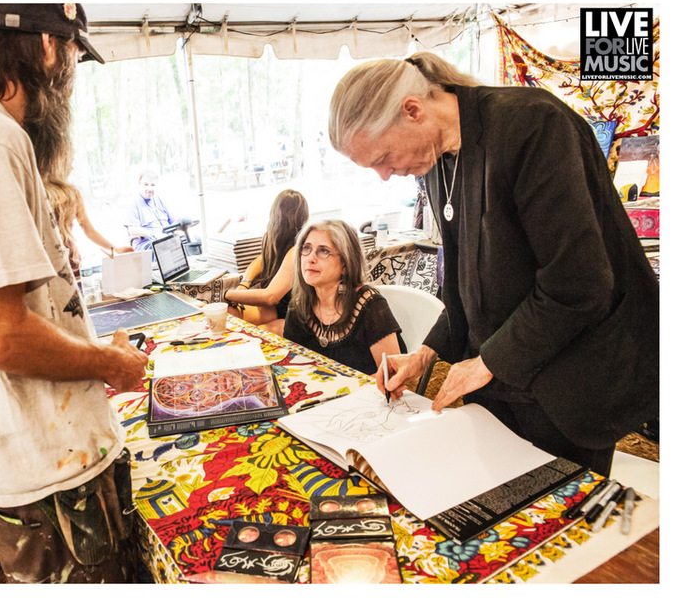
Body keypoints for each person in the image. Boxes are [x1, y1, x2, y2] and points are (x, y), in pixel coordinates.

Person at [0, 3, 149, 583]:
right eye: (74, 58)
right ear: (46, 46)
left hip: (35, 458)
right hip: (48, 468)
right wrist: (110, 363)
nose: (71, 79)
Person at [328, 52, 659, 476]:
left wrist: (487, 363)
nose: (385, 175)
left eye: (383, 157)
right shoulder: (437, 160)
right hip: (498, 384)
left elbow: (578, 284)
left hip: (570, 384)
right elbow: (466, 284)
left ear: (412, 111)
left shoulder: (532, 126)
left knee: (558, 509)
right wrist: (426, 353)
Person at [283, 220, 403, 375]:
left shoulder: (370, 306)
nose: (310, 258)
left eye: (323, 251)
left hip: (367, 390)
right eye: (306, 248)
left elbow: (391, 376)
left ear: (345, 264)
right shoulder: (298, 305)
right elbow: (291, 367)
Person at [222, 189, 309, 335]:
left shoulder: (298, 250)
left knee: (250, 334)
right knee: (227, 315)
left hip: (295, 313)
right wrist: (244, 284)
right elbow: (261, 260)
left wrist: (227, 294)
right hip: (278, 307)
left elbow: (270, 297)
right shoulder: (271, 238)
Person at [44, 178, 133, 279]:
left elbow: (89, 231)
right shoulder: (71, 193)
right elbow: (89, 231)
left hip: (59, 254)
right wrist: (116, 249)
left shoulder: (45, 195)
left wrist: (116, 249)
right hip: (65, 253)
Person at [124, 169, 178, 251]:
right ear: (139, 184)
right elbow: (132, 230)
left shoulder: (160, 200)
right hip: (147, 244)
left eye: (153, 185)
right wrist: (153, 234)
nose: (149, 189)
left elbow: (174, 222)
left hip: (167, 240)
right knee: (166, 248)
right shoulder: (133, 203)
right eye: (146, 184)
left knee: (192, 241)